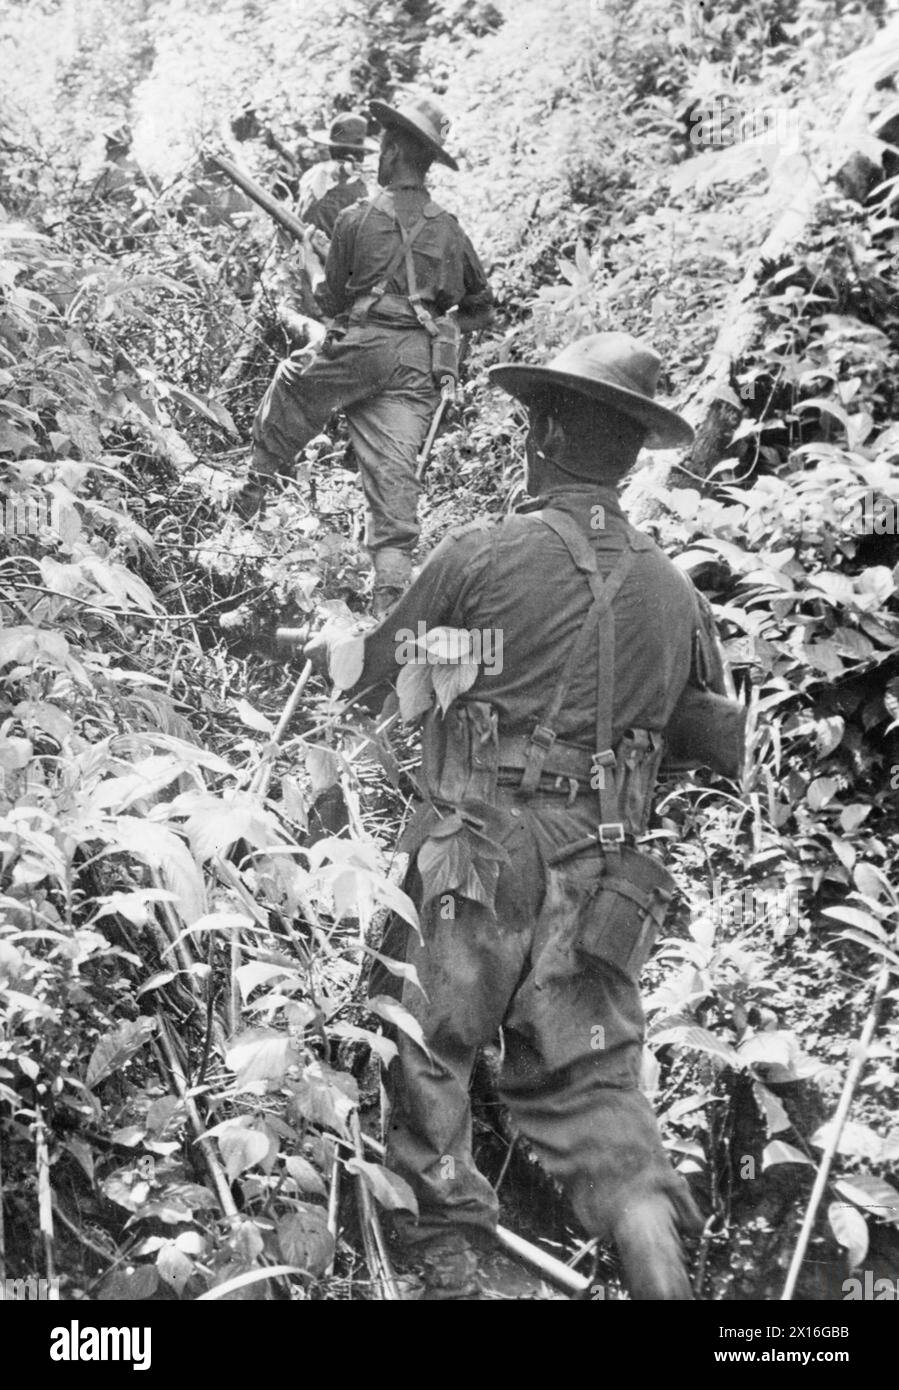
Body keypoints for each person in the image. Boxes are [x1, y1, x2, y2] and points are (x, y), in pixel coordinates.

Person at [309, 332, 746, 1299]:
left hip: (476, 850)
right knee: (596, 1095)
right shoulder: (677, 597)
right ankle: (664, 1279)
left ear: (545, 430)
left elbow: (382, 677)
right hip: (601, 870)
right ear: (632, 455)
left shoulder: (482, 555)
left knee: (428, 1048)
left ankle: (444, 1255)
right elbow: (704, 738)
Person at [247, 92, 494, 616]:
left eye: (382, 148)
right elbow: (481, 308)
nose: (376, 159)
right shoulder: (449, 226)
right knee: (396, 471)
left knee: (294, 380)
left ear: (397, 154)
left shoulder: (357, 219)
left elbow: (331, 302)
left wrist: (312, 262)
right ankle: (389, 600)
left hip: (361, 347)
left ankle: (253, 489)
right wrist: (440, 326)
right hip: (415, 364)